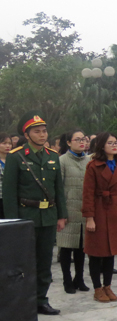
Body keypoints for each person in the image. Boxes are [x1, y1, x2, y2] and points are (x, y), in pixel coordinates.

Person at [2, 112, 67, 315]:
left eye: (44, 131)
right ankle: (24, 299)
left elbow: (58, 189)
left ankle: (41, 299)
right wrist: (14, 221)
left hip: (47, 216)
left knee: (44, 260)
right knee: (25, 262)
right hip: (25, 216)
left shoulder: (53, 156)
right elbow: (10, 192)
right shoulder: (16, 156)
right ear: (27, 134)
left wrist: (61, 215)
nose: (42, 135)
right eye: (37, 131)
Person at [82, 132, 117, 303]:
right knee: (96, 252)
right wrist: (89, 217)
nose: (114, 145)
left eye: (116, 142)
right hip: (98, 209)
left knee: (111, 252)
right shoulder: (93, 166)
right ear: (101, 145)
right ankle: (97, 288)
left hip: (115, 210)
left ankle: (108, 286)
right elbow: (87, 193)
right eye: (110, 143)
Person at [56, 130, 91, 294]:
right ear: (68, 142)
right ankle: (67, 280)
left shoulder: (89, 160)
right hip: (68, 210)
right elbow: (58, 188)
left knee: (81, 248)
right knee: (66, 247)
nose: (81, 142)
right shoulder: (62, 161)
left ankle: (79, 278)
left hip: (84, 211)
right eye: (77, 140)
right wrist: (61, 213)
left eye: (83, 139)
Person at [0, 132, 12, 219]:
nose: (7, 146)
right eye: (4, 143)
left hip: (9, 198)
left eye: (9, 143)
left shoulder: (13, 160)